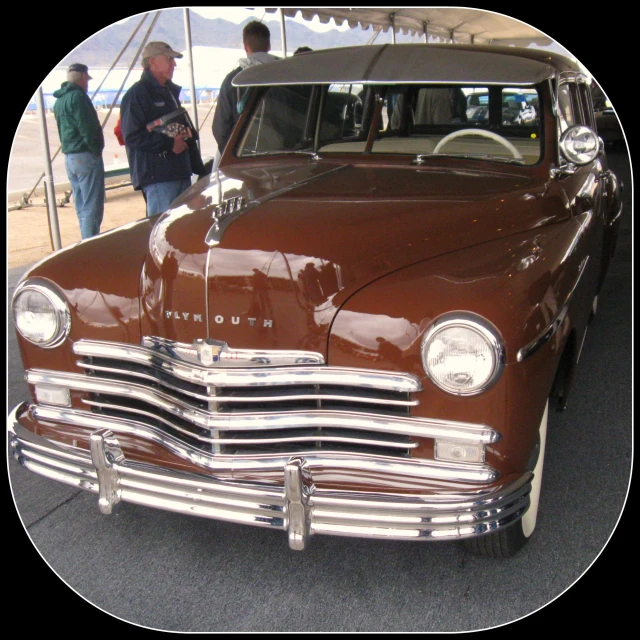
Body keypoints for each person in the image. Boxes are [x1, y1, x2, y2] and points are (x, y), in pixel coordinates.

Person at [120, 41, 210, 217]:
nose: (174, 64)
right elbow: (132, 136)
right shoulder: (136, 96)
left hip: (179, 172)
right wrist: (169, 144)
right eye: (169, 59)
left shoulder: (168, 92)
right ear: (152, 62)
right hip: (158, 177)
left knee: (180, 228)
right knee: (162, 229)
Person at [212, 21, 279, 163]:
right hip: (283, 156)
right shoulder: (285, 75)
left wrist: (234, 155)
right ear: (269, 46)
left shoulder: (234, 80)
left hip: (245, 159)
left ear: (246, 46)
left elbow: (220, 127)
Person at [52, 63, 105, 239]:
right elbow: (88, 127)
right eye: (86, 79)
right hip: (85, 154)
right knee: (92, 206)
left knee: (81, 205)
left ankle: (85, 239)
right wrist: (96, 149)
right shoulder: (78, 98)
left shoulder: (60, 100)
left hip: (70, 157)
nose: (87, 83)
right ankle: (90, 243)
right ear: (82, 78)